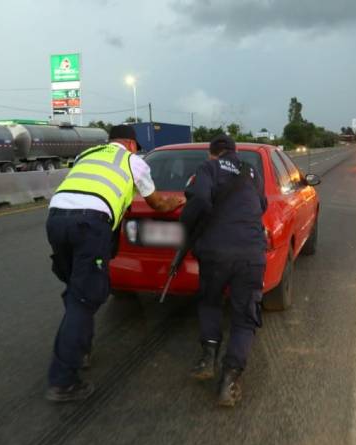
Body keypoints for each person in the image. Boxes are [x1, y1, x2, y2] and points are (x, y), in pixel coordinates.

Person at [45, 124, 184, 402]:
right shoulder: (133, 161)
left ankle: (80, 348)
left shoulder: (87, 154)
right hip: (90, 224)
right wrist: (178, 200)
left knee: (75, 290)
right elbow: (156, 203)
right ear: (132, 144)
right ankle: (63, 381)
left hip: (56, 219)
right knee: (83, 299)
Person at [180, 134, 267, 407]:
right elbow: (262, 205)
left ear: (212, 153)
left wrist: (187, 224)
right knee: (244, 316)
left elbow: (200, 200)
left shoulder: (208, 168)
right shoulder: (251, 171)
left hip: (216, 252)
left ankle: (208, 359)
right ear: (234, 151)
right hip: (252, 253)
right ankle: (230, 380)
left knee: (210, 302)